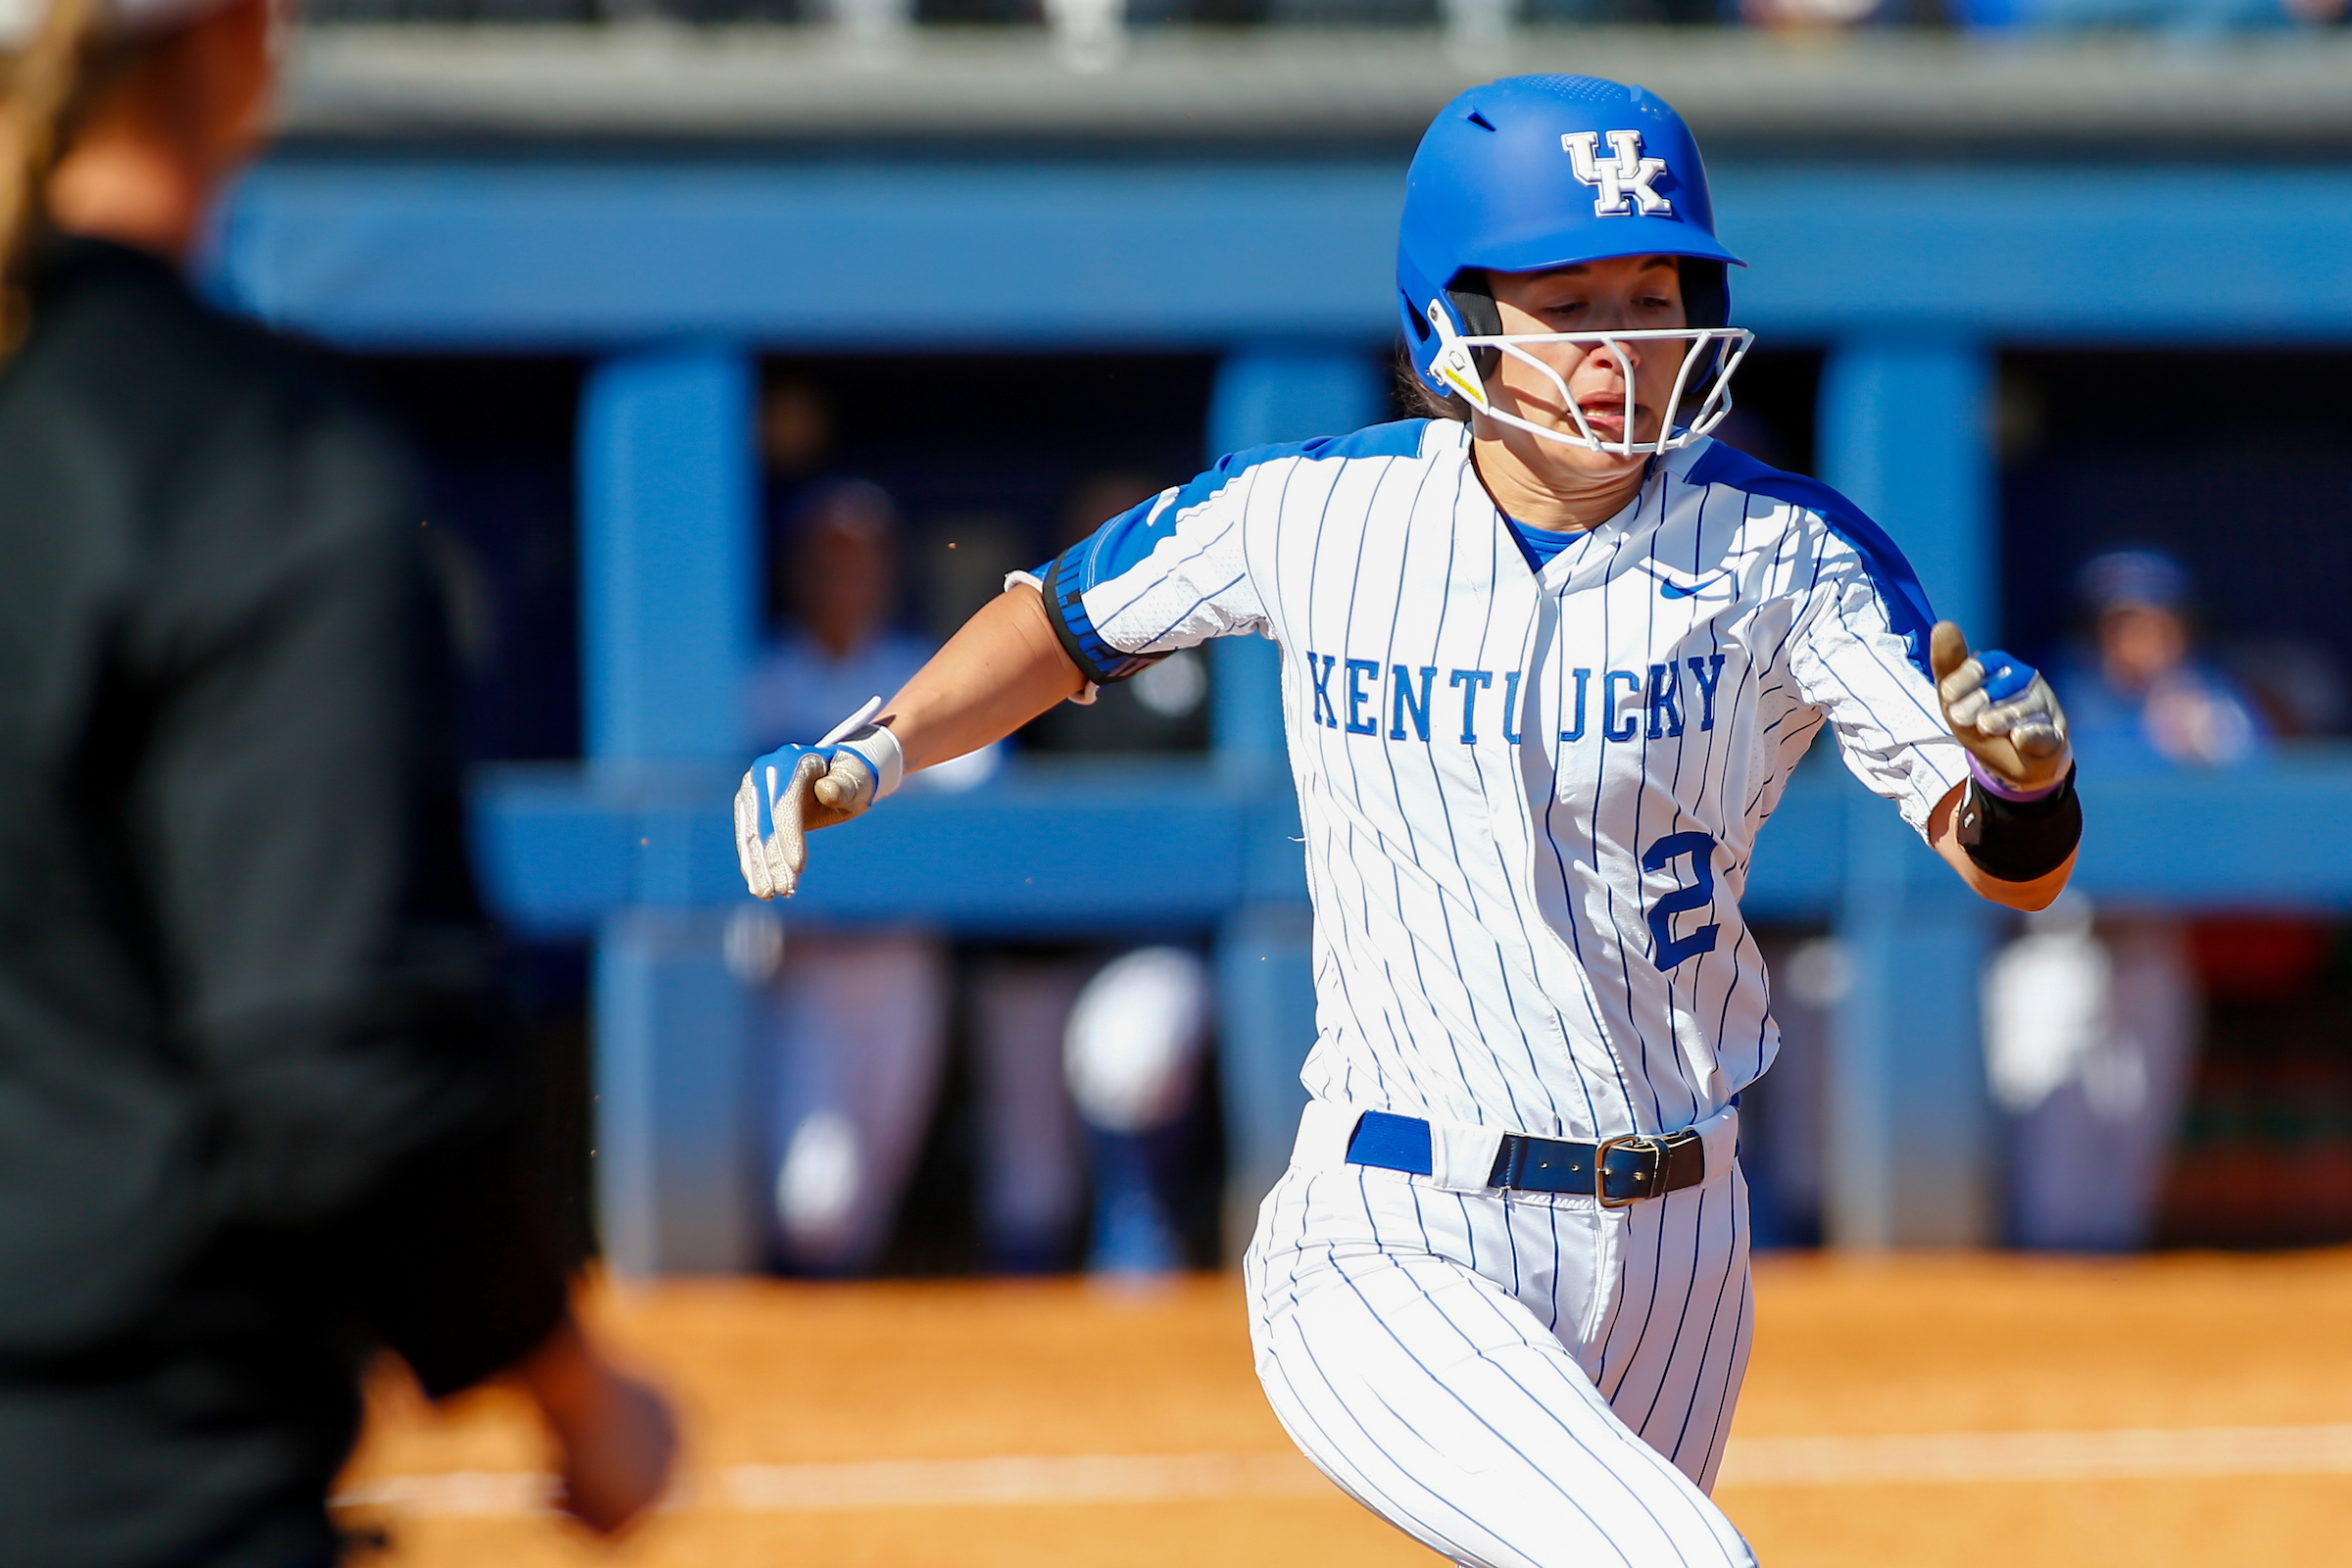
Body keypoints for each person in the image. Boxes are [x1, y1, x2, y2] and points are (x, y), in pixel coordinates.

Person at [735, 75, 2082, 1566]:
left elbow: (2003, 859)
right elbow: (1062, 618)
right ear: (1459, 319)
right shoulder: (1317, 510)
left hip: (1684, 1239)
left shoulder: (1789, 551)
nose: (1627, 347)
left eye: (1656, 295)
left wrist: (2030, 792)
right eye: (1573, 303)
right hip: (1396, 1220)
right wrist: (875, 746)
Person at [0, 0, 674, 1561]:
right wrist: (574, 1398)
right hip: (127, 1474)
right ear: (238, 42)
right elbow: (334, 1069)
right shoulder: (245, 452)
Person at [1984, 548, 2266, 1250]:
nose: (2144, 636)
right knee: (2050, 1133)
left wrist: (2202, 740)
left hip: (2153, 942)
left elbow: (2264, 782)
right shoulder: (2056, 693)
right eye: (2127, 621)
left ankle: (2112, 1307)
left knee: (2133, 1135)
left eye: (2158, 621)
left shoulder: (2201, 698)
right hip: (2059, 945)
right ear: (2098, 627)